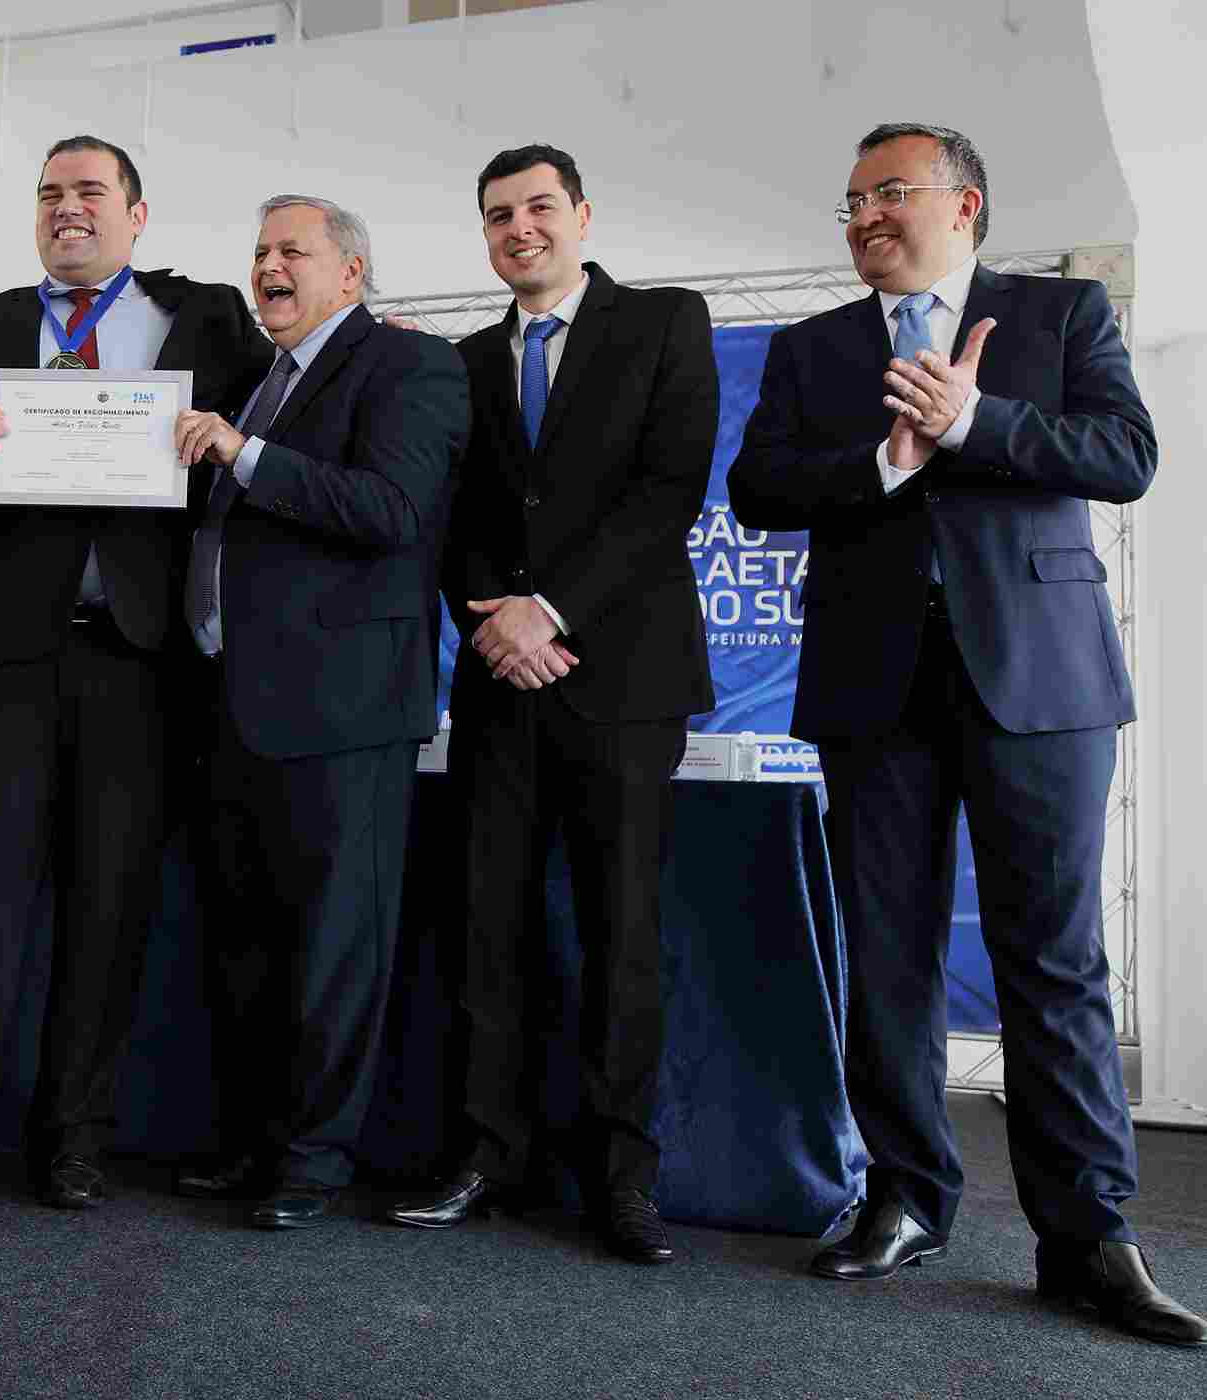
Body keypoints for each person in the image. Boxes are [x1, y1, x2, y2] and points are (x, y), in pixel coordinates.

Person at [728, 122, 1201, 1346]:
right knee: (888, 953)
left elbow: (1127, 454)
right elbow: (757, 487)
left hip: (1039, 681)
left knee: (1054, 956)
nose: (866, 216)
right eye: (851, 202)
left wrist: (977, 419)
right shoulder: (814, 346)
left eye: (891, 191)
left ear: (966, 205)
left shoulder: (1060, 313)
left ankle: (1088, 1233)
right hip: (872, 684)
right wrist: (884, 462)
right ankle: (905, 1195)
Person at [0, 135, 272, 1210]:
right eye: (50, 193)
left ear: (137, 215)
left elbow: (290, 407)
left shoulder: (210, 318)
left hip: (139, 659)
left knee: (110, 909)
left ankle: (74, 1138)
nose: (67, 208)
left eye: (91, 191)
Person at [387, 145, 718, 1264]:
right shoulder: (464, 360)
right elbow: (449, 514)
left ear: (582, 213)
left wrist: (552, 611)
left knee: (621, 931)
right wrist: (498, 623)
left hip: (622, 679)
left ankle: (622, 1179)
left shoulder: (665, 321)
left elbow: (668, 489)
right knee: (488, 926)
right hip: (500, 680)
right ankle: (489, 1154)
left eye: (538, 207)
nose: (518, 228)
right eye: (497, 215)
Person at [168, 195, 465, 1228]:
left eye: (292, 250)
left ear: (351, 272)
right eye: (259, 251)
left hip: (344, 710)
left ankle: (314, 1161)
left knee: (334, 948)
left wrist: (241, 455)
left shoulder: (411, 364)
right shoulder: (258, 381)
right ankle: (254, 1145)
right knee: (246, 942)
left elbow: (393, 510)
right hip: (233, 702)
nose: (268, 266)